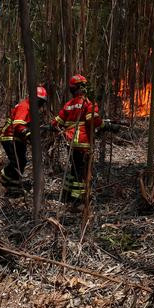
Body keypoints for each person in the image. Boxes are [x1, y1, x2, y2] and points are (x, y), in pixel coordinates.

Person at [52, 74, 102, 211]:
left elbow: (56, 123)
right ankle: (78, 201)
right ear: (83, 88)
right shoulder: (87, 103)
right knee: (82, 173)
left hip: (70, 142)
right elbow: (93, 120)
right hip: (83, 143)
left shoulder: (68, 105)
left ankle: (67, 195)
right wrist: (103, 125)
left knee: (73, 169)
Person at [0, 86, 48, 196]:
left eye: (42, 102)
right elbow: (18, 125)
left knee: (21, 162)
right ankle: (6, 179)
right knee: (17, 161)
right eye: (39, 102)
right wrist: (29, 135)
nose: (40, 105)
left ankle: (13, 185)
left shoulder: (30, 108)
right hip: (10, 137)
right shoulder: (24, 106)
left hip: (17, 138)